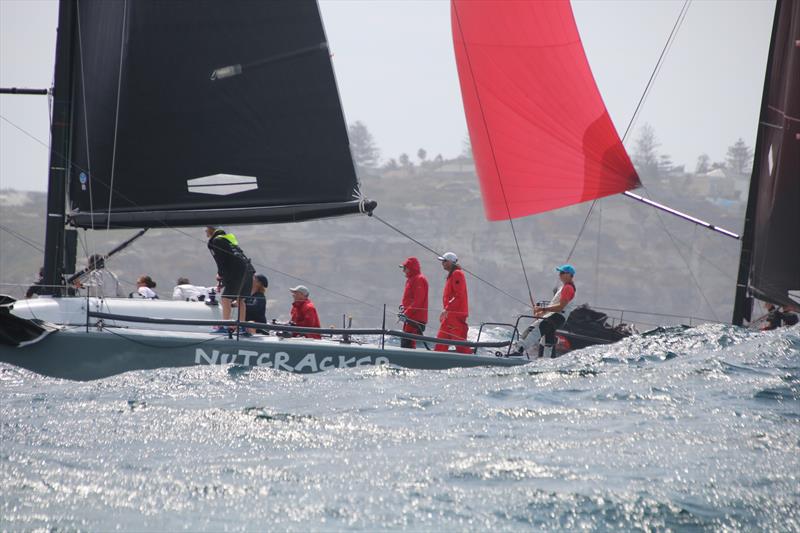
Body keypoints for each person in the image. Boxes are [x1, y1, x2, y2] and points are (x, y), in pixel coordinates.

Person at [515, 264, 577, 358]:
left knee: (533, 329)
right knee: (547, 339)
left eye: (562, 273)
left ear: (569, 275)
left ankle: (518, 351)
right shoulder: (564, 287)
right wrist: (543, 313)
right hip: (556, 317)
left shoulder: (568, 288)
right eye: (560, 273)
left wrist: (542, 309)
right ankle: (546, 360)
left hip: (556, 317)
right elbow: (556, 305)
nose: (559, 275)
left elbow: (560, 307)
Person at [206, 226, 255, 334]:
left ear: (212, 230)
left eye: (207, 229)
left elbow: (221, 261)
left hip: (237, 271)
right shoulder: (227, 239)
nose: (205, 231)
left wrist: (221, 275)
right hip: (248, 270)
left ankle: (225, 326)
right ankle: (241, 326)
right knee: (240, 299)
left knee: (225, 298)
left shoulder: (216, 241)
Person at [434, 252, 471, 354]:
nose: (442, 263)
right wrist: (447, 310)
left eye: (444, 261)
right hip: (450, 315)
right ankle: (437, 358)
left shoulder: (457, 274)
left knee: (459, 342)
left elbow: (458, 295)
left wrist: (447, 309)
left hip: (455, 315)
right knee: (441, 342)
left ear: (450, 262)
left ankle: (472, 361)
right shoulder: (452, 274)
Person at [398, 257, 428, 349]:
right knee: (406, 341)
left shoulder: (419, 279)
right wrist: (403, 307)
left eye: (405, 268)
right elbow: (409, 299)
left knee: (408, 343)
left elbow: (418, 301)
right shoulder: (411, 280)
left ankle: (408, 362)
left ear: (411, 268)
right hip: (410, 318)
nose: (403, 271)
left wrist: (406, 314)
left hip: (415, 319)